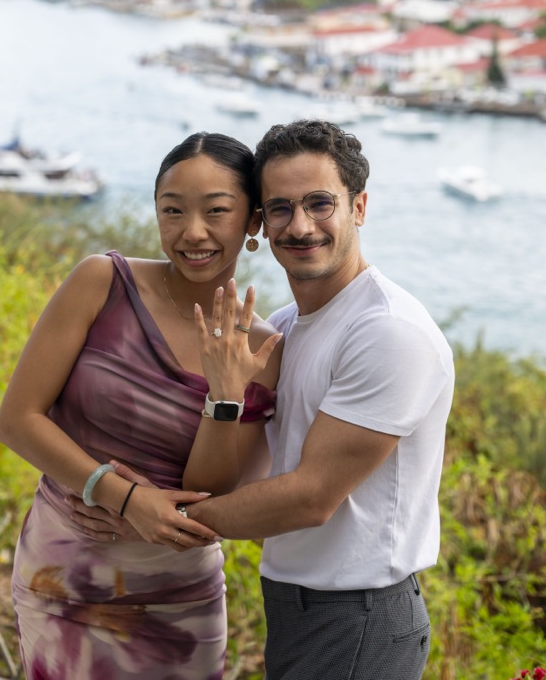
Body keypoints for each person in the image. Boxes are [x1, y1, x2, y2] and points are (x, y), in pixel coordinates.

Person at [75, 119, 455, 679]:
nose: (299, 226)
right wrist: (218, 405)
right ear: (260, 222)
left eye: (320, 203)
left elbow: (309, 498)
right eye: (280, 208)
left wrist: (152, 517)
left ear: (360, 207)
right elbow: (247, 476)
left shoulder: (388, 332)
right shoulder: (281, 331)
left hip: (359, 618)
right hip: (296, 606)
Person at [0, 131, 282, 680]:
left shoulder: (264, 350)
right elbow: (18, 420)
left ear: (252, 223)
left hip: (178, 601)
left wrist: (224, 396)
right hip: (65, 574)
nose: (192, 232)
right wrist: (122, 496)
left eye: (216, 211)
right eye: (172, 210)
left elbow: (213, 491)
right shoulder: (102, 283)